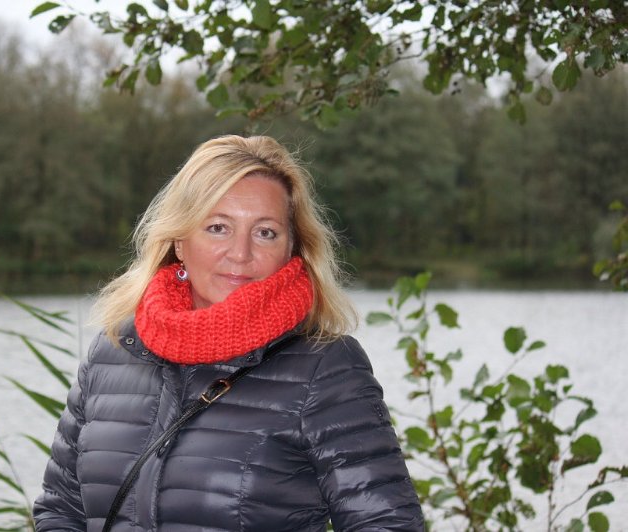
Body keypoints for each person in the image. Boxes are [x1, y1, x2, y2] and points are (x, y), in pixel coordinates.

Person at [33, 135, 424, 531]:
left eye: (265, 232)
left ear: (292, 247)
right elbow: (60, 510)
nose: (240, 253)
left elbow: (387, 523)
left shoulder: (325, 367)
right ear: (179, 241)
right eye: (218, 227)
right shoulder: (114, 350)